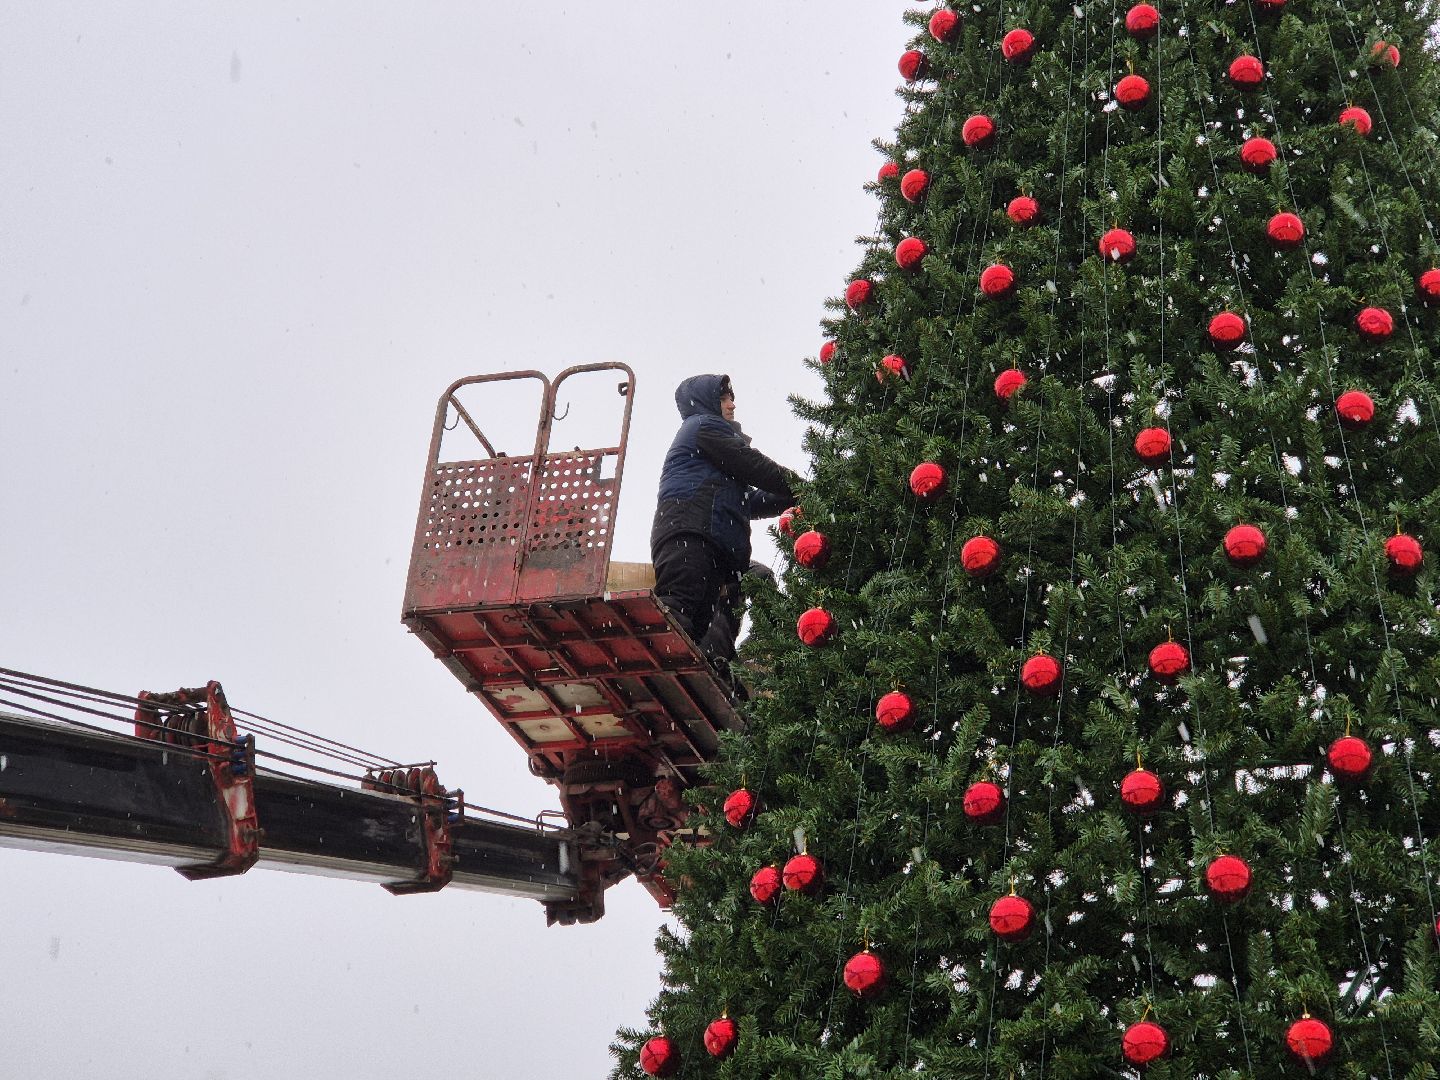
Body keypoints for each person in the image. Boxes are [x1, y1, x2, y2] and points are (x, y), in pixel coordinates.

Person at [650, 374, 795, 662]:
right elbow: (753, 465)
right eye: (724, 399)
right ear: (708, 402)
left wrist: (795, 496)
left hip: (709, 543)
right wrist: (801, 486)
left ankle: (684, 673)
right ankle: (655, 661)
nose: (732, 405)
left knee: (696, 624)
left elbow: (748, 501)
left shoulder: (714, 449)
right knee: (678, 609)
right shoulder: (703, 426)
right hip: (691, 534)